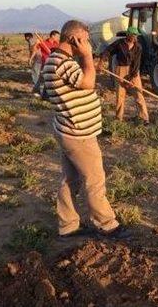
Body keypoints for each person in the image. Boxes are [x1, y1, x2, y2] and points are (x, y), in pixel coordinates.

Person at [41, 20, 130, 239]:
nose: (88, 43)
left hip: (68, 130)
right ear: (74, 39)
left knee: (70, 179)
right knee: (95, 179)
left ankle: (68, 225)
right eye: (85, 39)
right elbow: (88, 83)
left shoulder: (57, 60)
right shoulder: (63, 62)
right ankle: (106, 224)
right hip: (78, 134)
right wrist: (88, 56)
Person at [100, 26, 149, 125]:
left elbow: (136, 64)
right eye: (134, 35)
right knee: (120, 96)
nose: (135, 38)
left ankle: (144, 118)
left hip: (134, 71)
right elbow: (108, 50)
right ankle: (119, 119)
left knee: (139, 94)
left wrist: (131, 78)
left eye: (136, 36)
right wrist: (102, 60)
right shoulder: (119, 44)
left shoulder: (138, 47)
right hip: (120, 70)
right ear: (128, 35)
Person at [32, 30, 60, 95]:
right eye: (57, 36)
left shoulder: (57, 44)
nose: (58, 38)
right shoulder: (43, 42)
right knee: (43, 78)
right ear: (52, 36)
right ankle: (37, 91)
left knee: (49, 79)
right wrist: (36, 43)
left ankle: (46, 94)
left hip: (53, 63)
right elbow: (34, 49)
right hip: (45, 63)